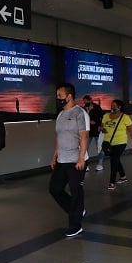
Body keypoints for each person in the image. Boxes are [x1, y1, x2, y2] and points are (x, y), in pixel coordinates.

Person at [49, 83, 89, 237]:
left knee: (76, 192)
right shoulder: (60, 115)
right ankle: (77, 211)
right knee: (54, 189)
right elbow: (59, 137)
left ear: (69, 96)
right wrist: (55, 155)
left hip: (75, 160)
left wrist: (81, 159)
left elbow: (84, 136)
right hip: (62, 159)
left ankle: (75, 225)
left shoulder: (80, 113)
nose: (58, 98)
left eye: (60, 96)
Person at [102, 99, 132, 190]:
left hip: (120, 142)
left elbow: (131, 131)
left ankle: (112, 182)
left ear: (119, 107)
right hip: (108, 143)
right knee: (115, 159)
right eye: (111, 105)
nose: (112, 107)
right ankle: (123, 176)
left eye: (114, 106)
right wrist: (102, 129)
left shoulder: (125, 117)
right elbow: (102, 126)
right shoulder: (106, 116)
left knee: (113, 161)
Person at [83, 95, 104, 171]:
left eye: (86, 101)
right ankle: (86, 164)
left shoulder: (97, 107)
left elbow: (103, 117)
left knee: (99, 147)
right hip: (87, 131)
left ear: (90, 100)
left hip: (97, 130)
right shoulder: (84, 108)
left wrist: (100, 125)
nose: (85, 103)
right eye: (84, 101)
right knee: (85, 148)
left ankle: (100, 164)